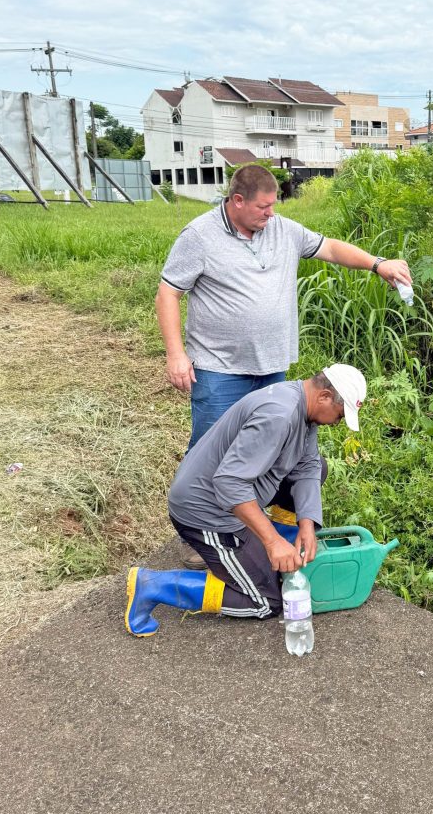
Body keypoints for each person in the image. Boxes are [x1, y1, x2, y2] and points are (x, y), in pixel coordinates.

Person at [156, 163, 410, 448]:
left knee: (262, 447)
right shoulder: (199, 236)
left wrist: (377, 264)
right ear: (237, 201)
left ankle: (252, 495)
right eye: (263, 206)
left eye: (273, 205)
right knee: (211, 449)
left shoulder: (283, 230)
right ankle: (195, 495)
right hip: (220, 369)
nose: (271, 213)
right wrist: (175, 354)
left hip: (272, 367)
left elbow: (331, 248)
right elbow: (168, 293)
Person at [124, 364, 366, 636]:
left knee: (319, 467)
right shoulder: (279, 415)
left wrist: (307, 525)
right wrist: (272, 543)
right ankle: (153, 585)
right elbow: (229, 484)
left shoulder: (303, 406)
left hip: (236, 489)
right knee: (266, 601)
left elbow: (308, 466)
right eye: (339, 414)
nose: (337, 422)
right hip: (206, 511)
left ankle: (270, 543)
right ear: (324, 397)